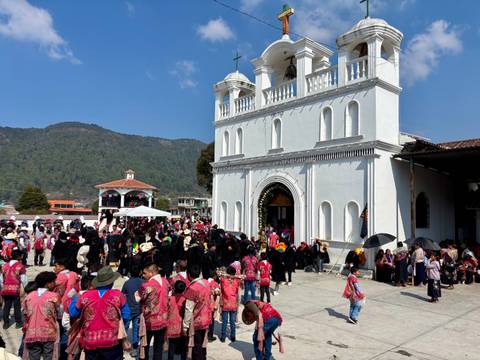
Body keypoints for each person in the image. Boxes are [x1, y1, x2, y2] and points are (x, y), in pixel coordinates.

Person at [69, 266, 130, 360]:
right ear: (111, 282)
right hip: (112, 341)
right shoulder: (118, 295)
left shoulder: (85, 296)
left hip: (90, 341)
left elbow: (73, 313)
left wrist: (76, 296)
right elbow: (126, 315)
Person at [22, 272, 60, 360]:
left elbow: (25, 313)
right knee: (48, 357)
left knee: (33, 357)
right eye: (53, 282)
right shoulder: (54, 296)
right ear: (48, 284)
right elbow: (60, 313)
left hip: (31, 333)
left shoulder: (29, 296)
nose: (55, 284)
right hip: (48, 333)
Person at [138, 263, 169, 360]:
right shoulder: (165, 282)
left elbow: (137, 297)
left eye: (144, 273)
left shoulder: (146, 285)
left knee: (145, 345)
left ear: (151, 273)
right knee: (158, 346)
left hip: (149, 320)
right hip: (163, 319)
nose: (143, 275)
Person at [182, 265, 211, 360]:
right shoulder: (206, 283)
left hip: (197, 322)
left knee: (196, 346)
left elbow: (188, 309)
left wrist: (185, 326)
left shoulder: (192, 288)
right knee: (203, 344)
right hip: (206, 318)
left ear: (188, 275)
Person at [121, 264, 144, 356]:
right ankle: (134, 349)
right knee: (136, 330)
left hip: (128, 309)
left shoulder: (127, 283)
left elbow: (122, 295)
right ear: (140, 272)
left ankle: (123, 347)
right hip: (138, 309)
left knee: (125, 329)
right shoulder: (143, 282)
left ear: (129, 273)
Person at [1, 249, 27, 329]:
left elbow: (1, 279)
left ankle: (6, 323)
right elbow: (24, 279)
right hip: (16, 289)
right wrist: (23, 289)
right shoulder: (20, 266)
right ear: (19, 256)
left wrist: (3, 286)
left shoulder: (5, 265)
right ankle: (18, 322)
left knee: (6, 306)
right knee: (17, 306)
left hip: (5, 289)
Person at [219, 266, 241, 343]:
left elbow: (220, 275)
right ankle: (233, 336)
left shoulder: (223, 280)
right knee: (232, 321)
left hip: (225, 303)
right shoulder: (237, 281)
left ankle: (223, 336)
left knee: (224, 321)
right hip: (233, 303)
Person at [166, 280, 187, 360]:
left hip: (171, 325)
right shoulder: (185, 300)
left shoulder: (170, 299)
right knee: (183, 346)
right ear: (184, 289)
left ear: (174, 288)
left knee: (171, 346)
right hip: (182, 326)